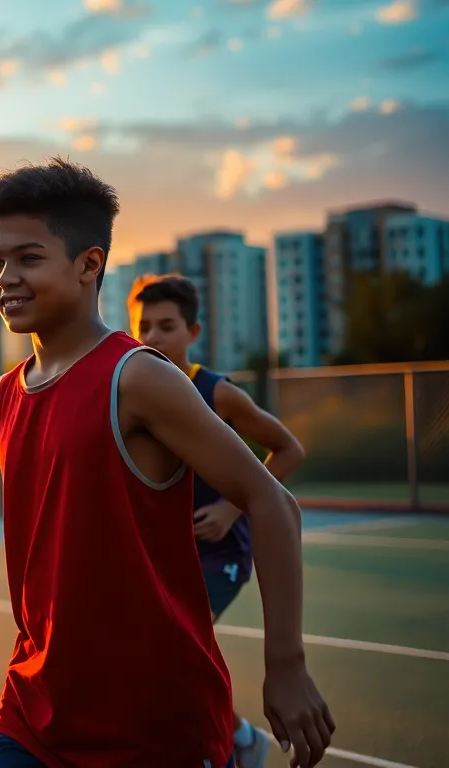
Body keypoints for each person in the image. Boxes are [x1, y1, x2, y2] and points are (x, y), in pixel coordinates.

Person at [0, 158, 334, 768]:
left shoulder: (137, 378)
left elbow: (272, 500)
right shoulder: (2, 394)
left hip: (154, 714)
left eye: (29, 258)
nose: (6, 276)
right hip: (35, 703)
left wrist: (286, 666)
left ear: (89, 265)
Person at [129, 273, 307, 767]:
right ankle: (236, 735)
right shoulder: (135, 391)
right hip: (165, 554)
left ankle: (228, 746)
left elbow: (289, 449)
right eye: (144, 327)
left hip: (220, 552)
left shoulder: (217, 392)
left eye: (166, 326)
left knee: (178, 651)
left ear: (194, 332)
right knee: (154, 657)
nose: (152, 338)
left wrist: (233, 507)